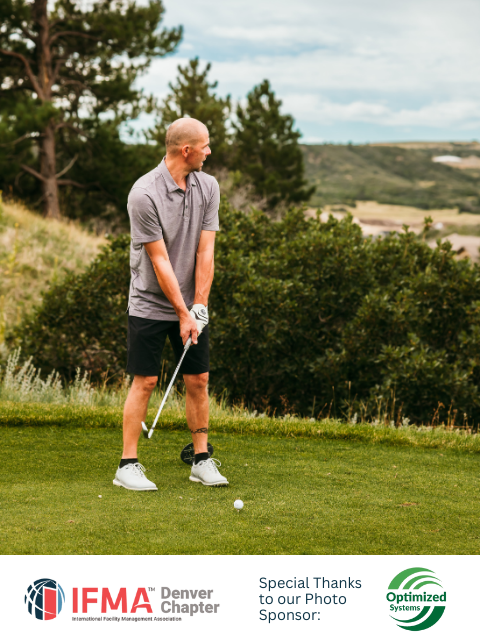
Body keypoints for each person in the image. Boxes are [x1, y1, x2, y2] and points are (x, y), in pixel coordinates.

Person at [113, 117, 228, 491]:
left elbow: (205, 250)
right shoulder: (143, 194)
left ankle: (201, 459)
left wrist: (199, 307)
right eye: (205, 146)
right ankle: (127, 465)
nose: (209, 152)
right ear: (186, 150)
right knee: (145, 381)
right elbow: (160, 262)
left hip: (191, 307)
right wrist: (181, 313)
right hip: (149, 303)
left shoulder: (208, 186)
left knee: (198, 379)